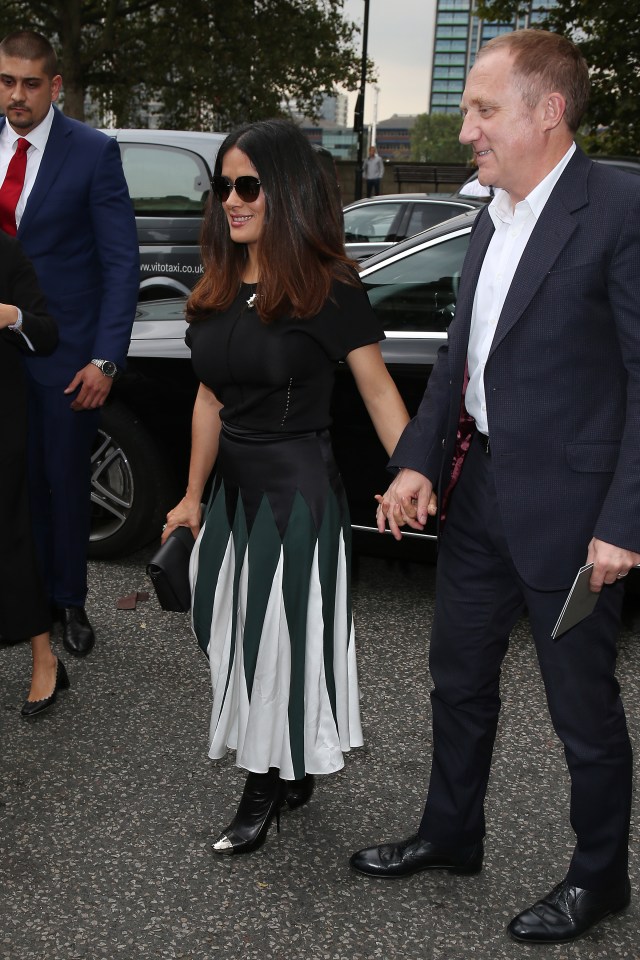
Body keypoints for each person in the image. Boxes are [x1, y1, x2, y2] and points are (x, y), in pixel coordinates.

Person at [350, 28, 640, 946]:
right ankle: (451, 832)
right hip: (478, 503)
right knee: (456, 679)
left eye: (483, 109)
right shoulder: (490, 212)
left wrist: (624, 521)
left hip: (577, 518)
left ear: (546, 111)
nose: (467, 128)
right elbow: (460, 366)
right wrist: (418, 462)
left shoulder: (622, 208)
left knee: (583, 715)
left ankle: (601, 880)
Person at [163, 119, 429, 856]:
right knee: (224, 633)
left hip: (297, 495)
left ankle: (264, 783)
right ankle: (287, 759)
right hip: (232, 498)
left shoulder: (327, 288)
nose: (232, 200)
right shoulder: (216, 283)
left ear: (286, 191)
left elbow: (377, 392)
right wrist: (190, 496)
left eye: (248, 185)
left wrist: (411, 473)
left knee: (273, 643)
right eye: (223, 187)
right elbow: (209, 398)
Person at [0, 31, 139, 657]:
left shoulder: (93, 152)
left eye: (30, 83)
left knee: (62, 484)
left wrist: (106, 358)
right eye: (6, 81)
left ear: (54, 86)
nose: (17, 95)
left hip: (66, 359)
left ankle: (68, 602)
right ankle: (20, 608)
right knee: (9, 486)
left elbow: (120, 265)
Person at [0, 230, 67, 717]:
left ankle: (45, 659)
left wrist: (12, 316)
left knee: (10, 535)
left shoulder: (4, 250)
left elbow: (45, 332)